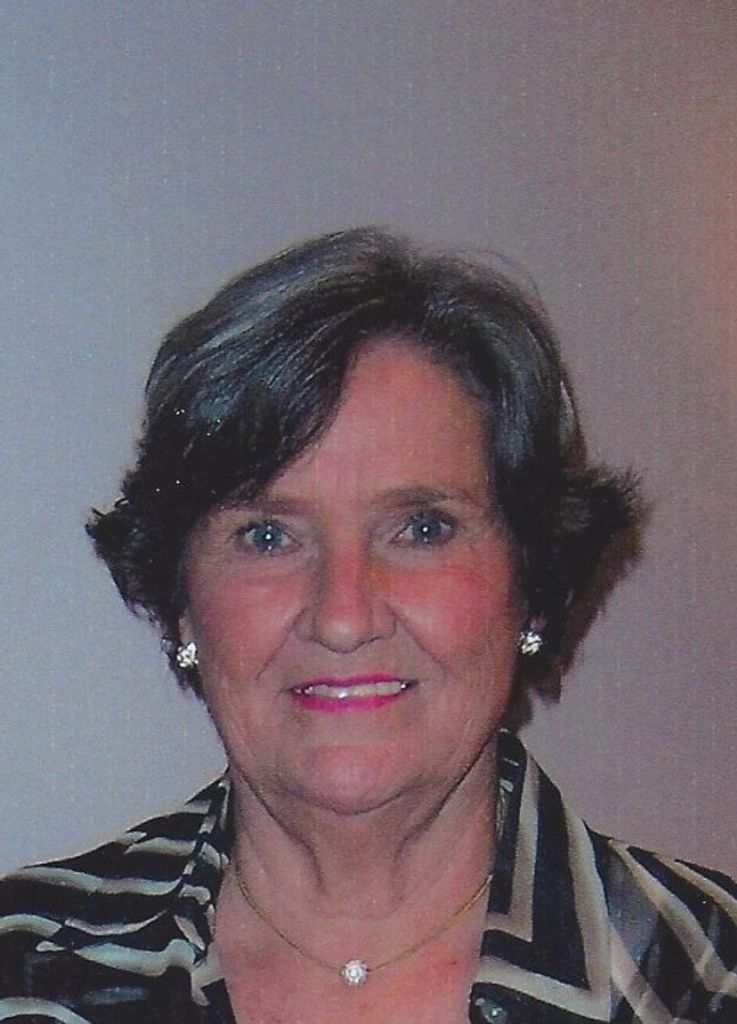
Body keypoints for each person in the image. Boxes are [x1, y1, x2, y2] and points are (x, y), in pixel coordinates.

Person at [1, 228, 735, 1024]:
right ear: (182, 601)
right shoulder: (25, 974)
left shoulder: (704, 976)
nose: (344, 617)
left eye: (421, 529)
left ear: (531, 585)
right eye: (267, 536)